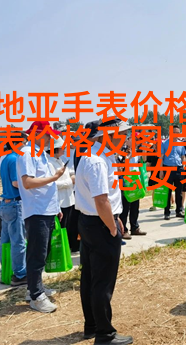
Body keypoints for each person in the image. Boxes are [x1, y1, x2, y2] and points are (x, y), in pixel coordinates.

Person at [74, 118, 133, 345]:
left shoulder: (96, 156)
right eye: (123, 134)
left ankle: (91, 325)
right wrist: (111, 226)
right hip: (99, 225)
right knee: (102, 282)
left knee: (90, 277)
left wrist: (114, 219)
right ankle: (105, 334)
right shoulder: (97, 161)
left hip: (92, 222)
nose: (126, 138)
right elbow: (101, 201)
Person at [17, 121, 65, 313]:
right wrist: (55, 177)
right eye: (47, 135)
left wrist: (56, 207)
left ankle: (34, 289)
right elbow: (28, 182)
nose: (50, 139)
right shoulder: (27, 153)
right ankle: (36, 296)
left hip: (46, 209)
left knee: (42, 253)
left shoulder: (40, 154)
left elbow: (45, 185)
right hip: (37, 211)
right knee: (37, 254)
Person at [0, 131, 28, 285]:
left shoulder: (6, 158)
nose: (26, 145)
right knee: (18, 241)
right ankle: (20, 274)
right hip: (15, 204)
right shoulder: (15, 159)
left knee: (5, 241)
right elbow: (16, 183)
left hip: (5, 203)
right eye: (24, 142)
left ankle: (5, 270)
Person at [47, 137, 79, 252]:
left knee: (70, 226)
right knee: (61, 227)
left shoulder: (59, 160)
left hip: (69, 199)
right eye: (62, 147)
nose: (65, 149)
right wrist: (70, 181)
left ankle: (69, 247)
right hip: (60, 201)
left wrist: (74, 174)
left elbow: (67, 172)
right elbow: (52, 183)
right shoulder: (49, 163)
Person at [119, 131, 146, 239]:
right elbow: (121, 166)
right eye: (135, 139)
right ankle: (124, 230)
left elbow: (144, 161)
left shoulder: (137, 151)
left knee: (135, 206)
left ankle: (134, 227)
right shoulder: (123, 150)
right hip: (126, 180)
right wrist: (128, 157)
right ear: (129, 139)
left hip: (135, 180)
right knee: (125, 207)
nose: (137, 142)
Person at [158, 126, 186, 220]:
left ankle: (179, 210)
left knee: (179, 192)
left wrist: (183, 167)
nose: (177, 134)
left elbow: (183, 156)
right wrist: (161, 170)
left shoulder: (181, 144)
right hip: (168, 169)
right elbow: (161, 158)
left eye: (178, 132)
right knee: (167, 192)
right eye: (175, 132)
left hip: (179, 169)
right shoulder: (164, 143)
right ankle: (167, 212)